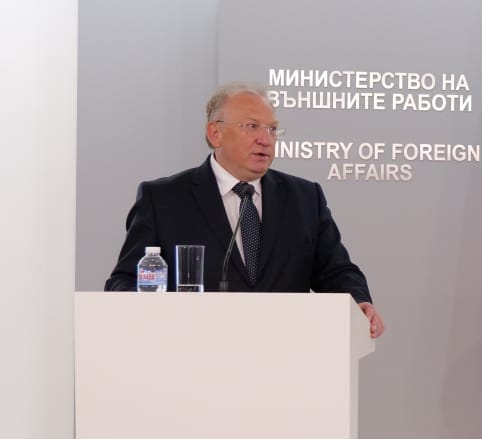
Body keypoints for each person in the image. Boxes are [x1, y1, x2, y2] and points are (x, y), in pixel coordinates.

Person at [105, 82, 385, 338]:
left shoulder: (304, 197)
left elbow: (336, 271)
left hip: (286, 354)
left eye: (272, 129)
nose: (266, 139)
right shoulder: (164, 199)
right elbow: (125, 282)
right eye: (252, 126)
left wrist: (359, 301)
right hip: (193, 353)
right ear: (215, 133)